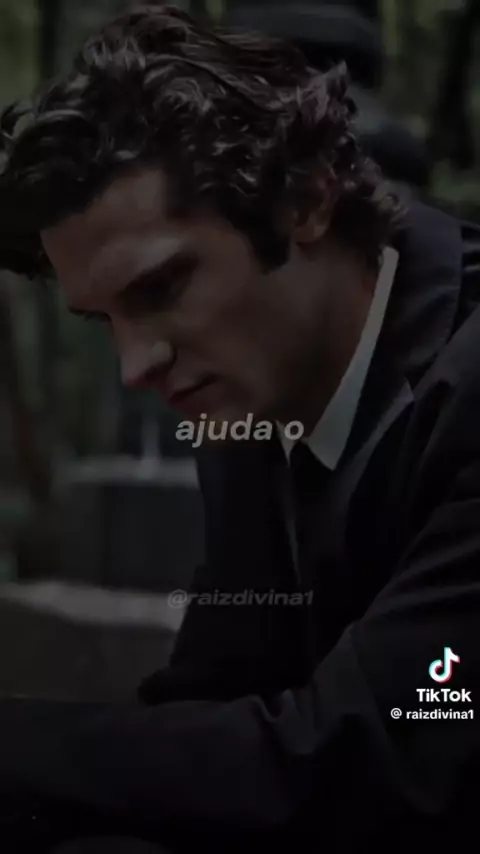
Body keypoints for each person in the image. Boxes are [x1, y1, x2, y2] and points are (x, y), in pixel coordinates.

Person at [0, 2, 479, 851]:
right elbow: (208, 709)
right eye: (103, 320)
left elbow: (377, 759)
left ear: (308, 199)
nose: (135, 365)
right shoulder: (255, 404)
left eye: (161, 289)